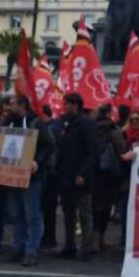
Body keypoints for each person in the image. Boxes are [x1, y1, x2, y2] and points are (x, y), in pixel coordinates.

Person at [4, 94, 53, 266]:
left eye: (12, 104)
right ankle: (17, 247)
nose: (9, 107)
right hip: (12, 175)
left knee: (32, 214)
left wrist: (37, 162)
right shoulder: (8, 123)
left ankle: (31, 250)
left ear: (22, 105)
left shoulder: (35, 123)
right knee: (17, 214)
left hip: (32, 177)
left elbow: (49, 144)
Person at [55, 92, 98, 261]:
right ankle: (69, 245)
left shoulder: (86, 123)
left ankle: (86, 247)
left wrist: (83, 173)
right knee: (68, 213)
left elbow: (91, 152)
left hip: (80, 176)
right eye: (64, 103)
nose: (64, 107)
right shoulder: (64, 122)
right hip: (65, 175)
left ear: (76, 105)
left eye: (67, 104)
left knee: (84, 213)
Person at [93, 102, 126, 252]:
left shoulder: (91, 127)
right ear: (110, 113)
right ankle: (100, 239)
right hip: (109, 173)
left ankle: (94, 238)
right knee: (106, 206)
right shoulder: (114, 131)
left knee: (94, 206)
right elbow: (121, 153)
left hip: (93, 172)